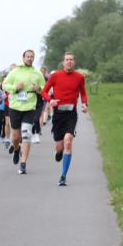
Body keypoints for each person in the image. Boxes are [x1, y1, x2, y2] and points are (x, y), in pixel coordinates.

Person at [41, 51, 89, 186]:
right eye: (67, 59)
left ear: (74, 62)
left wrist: (85, 104)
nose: (69, 61)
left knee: (68, 142)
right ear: (63, 62)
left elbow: (83, 94)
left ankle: (63, 175)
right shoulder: (55, 76)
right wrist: (50, 100)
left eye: (71, 59)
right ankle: (59, 151)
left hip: (71, 115)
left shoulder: (79, 77)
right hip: (58, 114)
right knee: (59, 145)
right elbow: (44, 91)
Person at [2, 50, 45, 175]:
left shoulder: (37, 73)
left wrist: (39, 89)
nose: (30, 58)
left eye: (32, 57)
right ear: (23, 57)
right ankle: (16, 149)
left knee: (26, 135)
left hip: (30, 107)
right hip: (15, 106)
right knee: (16, 137)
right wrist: (15, 88)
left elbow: (46, 87)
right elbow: (4, 85)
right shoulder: (15, 71)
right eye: (28, 56)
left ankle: (23, 163)